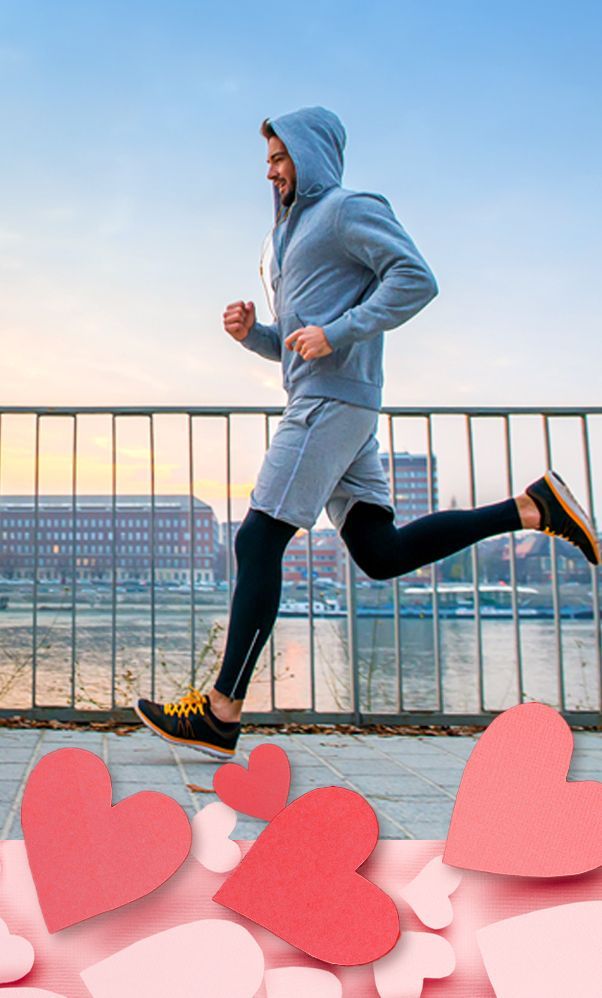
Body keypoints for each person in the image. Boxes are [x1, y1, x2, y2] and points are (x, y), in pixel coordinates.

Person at [135, 106, 600, 757]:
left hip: (329, 405)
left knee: (258, 538)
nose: (269, 172)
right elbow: (298, 343)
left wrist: (339, 331)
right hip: (331, 401)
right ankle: (531, 508)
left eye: (279, 158)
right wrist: (253, 336)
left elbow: (416, 279)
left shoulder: (347, 209)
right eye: (267, 161)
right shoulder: (285, 237)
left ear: (310, 154)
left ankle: (220, 711)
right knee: (380, 553)